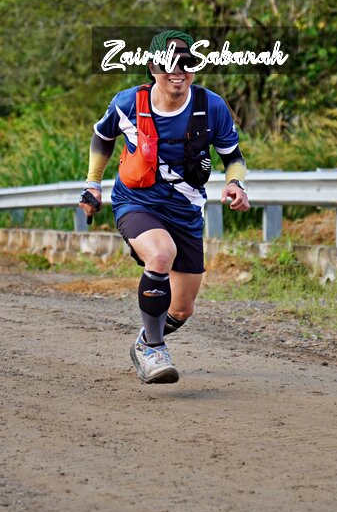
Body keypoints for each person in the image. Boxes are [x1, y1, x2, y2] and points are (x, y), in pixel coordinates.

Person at [79, 29, 249, 384]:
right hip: (136, 201)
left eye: (187, 63)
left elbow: (233, 157)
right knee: (160, 254)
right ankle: (155, 351)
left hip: (186, 210)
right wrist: (93, 184)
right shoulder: (128, 103)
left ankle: (145, 341)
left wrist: (235, 184)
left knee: (182, 308)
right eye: (169, 63)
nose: (178, 71)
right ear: (153, 67)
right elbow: (103, 137)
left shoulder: (211, 106)